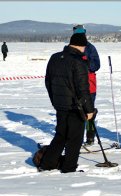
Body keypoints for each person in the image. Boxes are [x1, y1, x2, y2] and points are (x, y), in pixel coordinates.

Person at [39, 33, 95, 173]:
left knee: (61, 135)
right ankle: (69, 168)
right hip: (76, 107)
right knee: (74, 139)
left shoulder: (55, 57)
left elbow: (48, 82)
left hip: (60, 104)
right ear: (81, 45)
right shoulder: (79, 61)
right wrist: (89, 110)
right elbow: (83, 89)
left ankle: (47, 163)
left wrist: (55, 101)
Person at [73, 24, 101, 145]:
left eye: (81, 33)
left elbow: (97, 65)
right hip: (74, 86)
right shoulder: (70, 48)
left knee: (89, 112)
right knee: (75, 113)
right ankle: (74, 137)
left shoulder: (90, 48)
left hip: (89, 86)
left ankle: (90, 137)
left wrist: (85, 63)